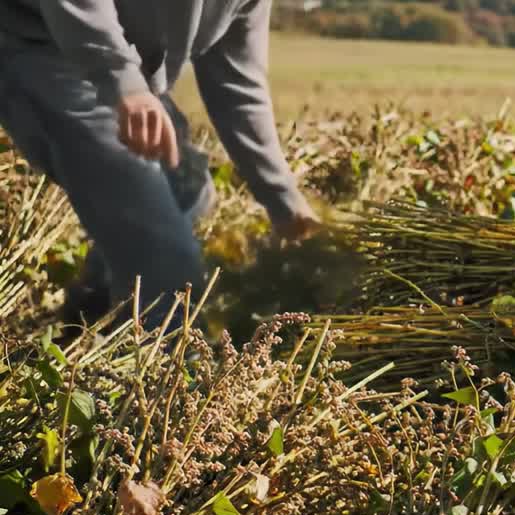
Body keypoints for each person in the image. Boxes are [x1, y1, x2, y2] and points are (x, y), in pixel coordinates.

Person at [0, 0, 318, 333]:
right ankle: (156, 370)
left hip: (123, 72)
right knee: (166, 262)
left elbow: (238, 80)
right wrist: (124, 82)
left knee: (187, 190)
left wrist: (284, 199)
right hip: (42, 49)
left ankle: (92, 321)